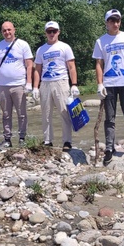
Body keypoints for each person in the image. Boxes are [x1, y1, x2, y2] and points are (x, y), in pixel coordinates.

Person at [93, 9, 124, 165]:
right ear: (106, 22)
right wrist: (100, 84)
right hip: (109, 84)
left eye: (117, 20)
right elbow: (99, 64)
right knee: (110, 119)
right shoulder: (101, 41)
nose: (115, 23)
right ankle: (109, 148)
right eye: (112, 20)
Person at [33, 20, 78, 150]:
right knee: (46, 113)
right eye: (49, 31)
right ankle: (47, 140)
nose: (51, 33)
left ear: (58, 32)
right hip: (45, 83)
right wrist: (36, 87)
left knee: (64, 112)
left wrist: (74, 84)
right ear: (45, 33)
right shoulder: (41, 50)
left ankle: (67, 141)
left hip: (61, 82)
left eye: (54, 31)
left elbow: (71, 67)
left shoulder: (65, 47)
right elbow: (38, 69)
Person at [0, 21, 33, 147]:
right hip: (2, 85)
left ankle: (22, 138)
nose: (7, 32)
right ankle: (7, 139)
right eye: (4, 30)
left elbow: (29, 64)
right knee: (6, 114)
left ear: (14, 30)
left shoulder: (23, 44)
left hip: (19, 84)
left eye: (9, 29)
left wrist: (29, 82)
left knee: (22, 113)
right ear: (2, 32)